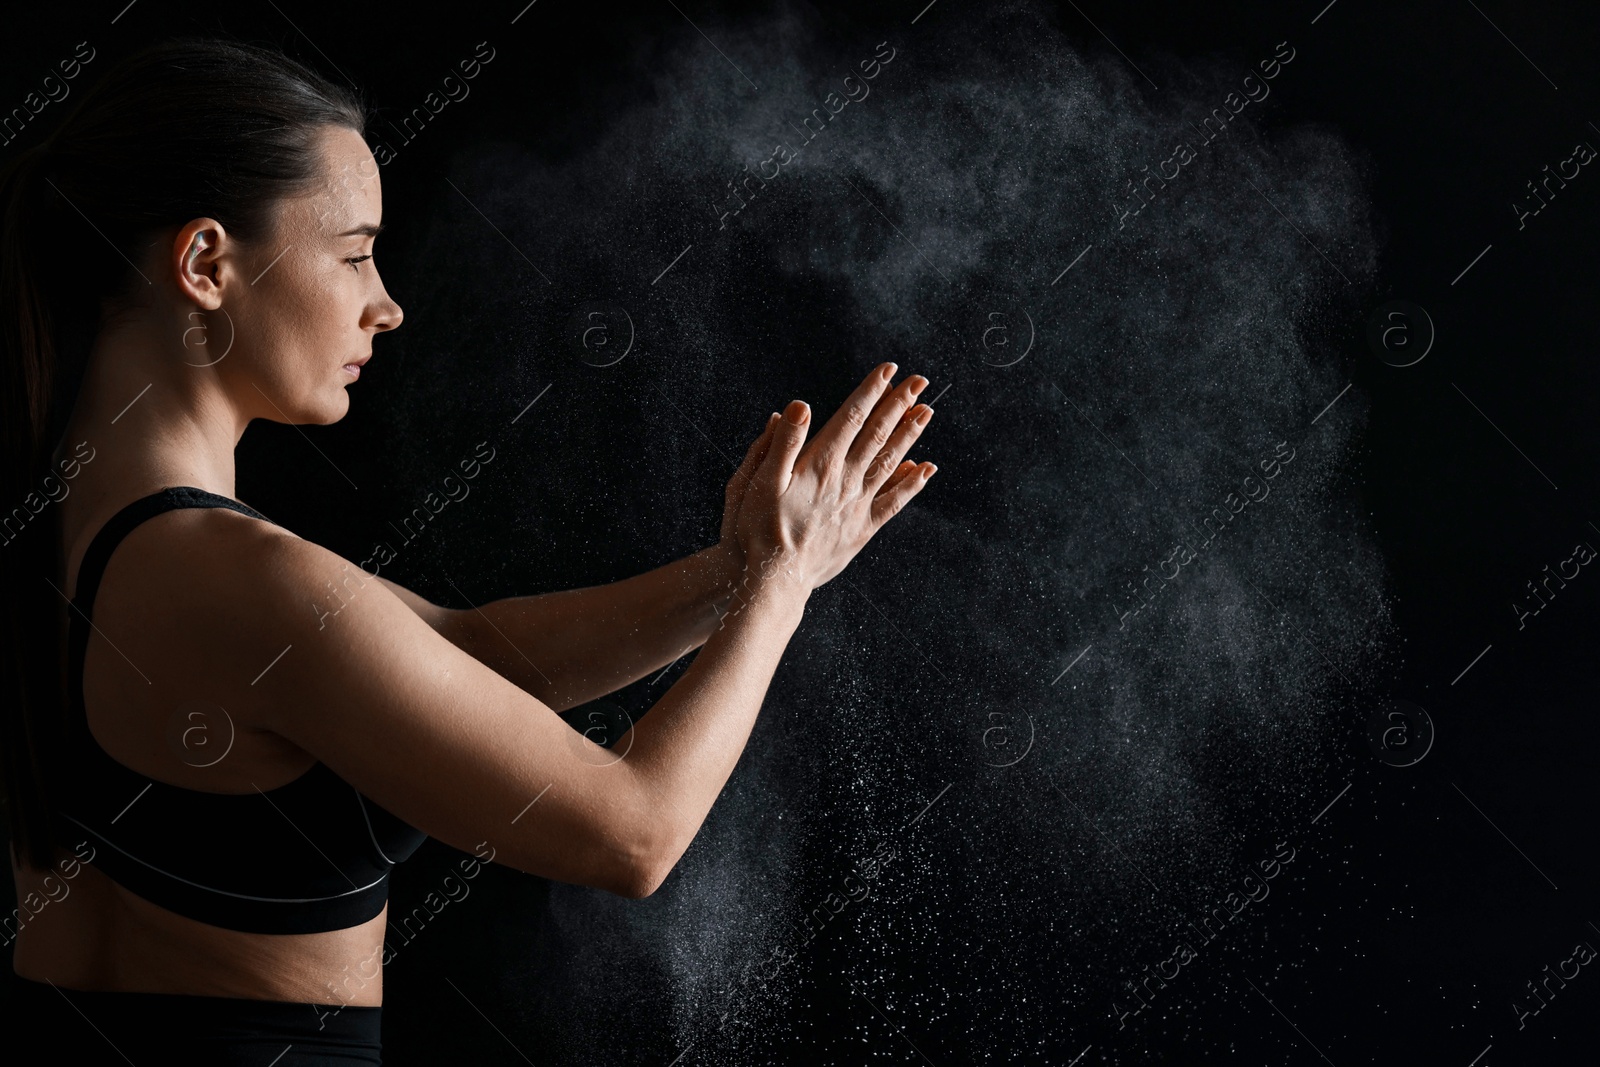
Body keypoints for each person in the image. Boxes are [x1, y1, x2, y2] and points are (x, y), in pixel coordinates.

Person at [0, 37, 938, 1064]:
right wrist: (779, 589)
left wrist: (737, 570)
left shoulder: (80, 539)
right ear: (207, 264)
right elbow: (632, 831)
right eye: (354, 253)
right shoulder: (238, 579)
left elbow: (468, 653)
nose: (386, 304)